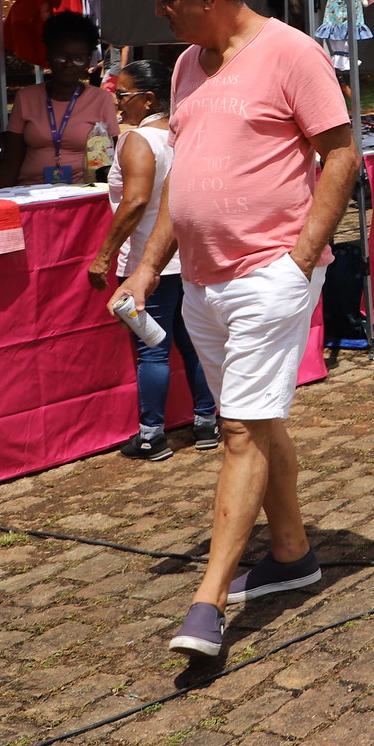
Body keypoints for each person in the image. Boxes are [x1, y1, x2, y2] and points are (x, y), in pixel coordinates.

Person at [109, 0, 359, 659]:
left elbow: (341, 153)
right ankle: (291, 553)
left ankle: (207, 602)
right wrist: (148, 265)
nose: (158, 10)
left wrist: (302, 254)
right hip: (202, 279)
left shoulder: (291, 52)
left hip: (268, 275)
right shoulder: (189, 64)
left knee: (241, 430)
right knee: (260, 421)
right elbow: (184, 178)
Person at [90, 59, 218, 461]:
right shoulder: (181, 136)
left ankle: (151, 434)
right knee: (191, 344)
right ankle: (206, 421)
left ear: (147, 99)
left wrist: (103, 257)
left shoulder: (138, 141)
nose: (117, 103)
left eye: (122, 95)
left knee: (152, 349)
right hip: (186, 259)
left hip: (147, 263)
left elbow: (136, 200)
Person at [0, 10, 118, 186]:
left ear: (88, 61)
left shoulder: (100, 99)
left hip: (81, 191)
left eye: (78, 58)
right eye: (61, 56)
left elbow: (113, 159)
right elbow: (10, 163)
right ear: (49, 56)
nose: (69, 64)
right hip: (30, 190)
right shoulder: (26, 98)